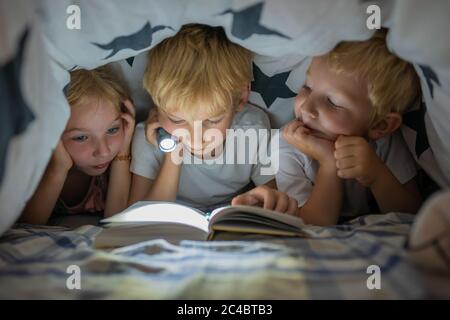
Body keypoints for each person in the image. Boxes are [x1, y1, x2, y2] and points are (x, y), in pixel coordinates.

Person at [129, 24, 297, 214]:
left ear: (241, 98)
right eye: (176, 120)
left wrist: (259, 201)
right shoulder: (148, 138)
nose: (196, 137)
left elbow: (272, 196)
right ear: (156, 105)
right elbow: (140, 216)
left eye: (213, 120)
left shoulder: (254, 128)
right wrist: (173, 156)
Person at [277, 30, 422, 225]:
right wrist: (329, 164)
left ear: (380, 125)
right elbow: (310, 225)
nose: (306, 107)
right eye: (307, 87)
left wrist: (377, 175)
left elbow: (412, 217)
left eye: (332, 102)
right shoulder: (287, 144)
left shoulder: (384, 145)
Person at [20, 66, 136, 224]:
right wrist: (58, 169)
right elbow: (26, 230)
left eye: (112, 129)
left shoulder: (118, 164)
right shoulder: (29, 168)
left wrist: (123, 149)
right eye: (81, 137)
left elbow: (117, 225)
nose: (103, 151)